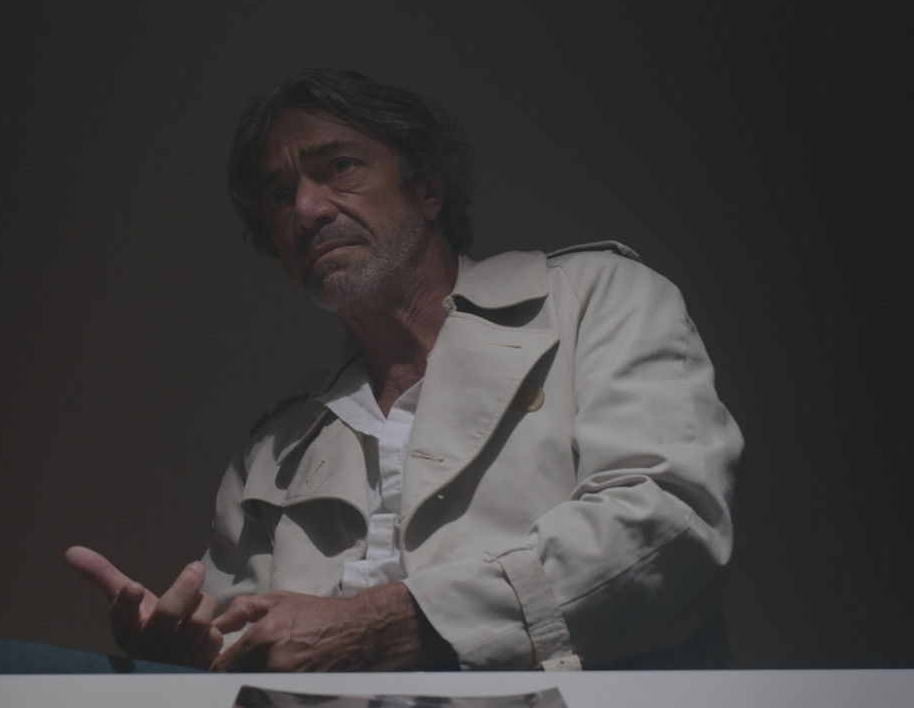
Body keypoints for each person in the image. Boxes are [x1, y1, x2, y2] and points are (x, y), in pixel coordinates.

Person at [66, 68, 742, 673]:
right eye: (278, 196)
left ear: (427, 189)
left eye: (339, 167)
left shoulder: (598, 298)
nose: (307, 209)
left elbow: (669, 533)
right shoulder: (272, 451)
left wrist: (391, 625)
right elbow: (243, 648)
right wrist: (190, 662)